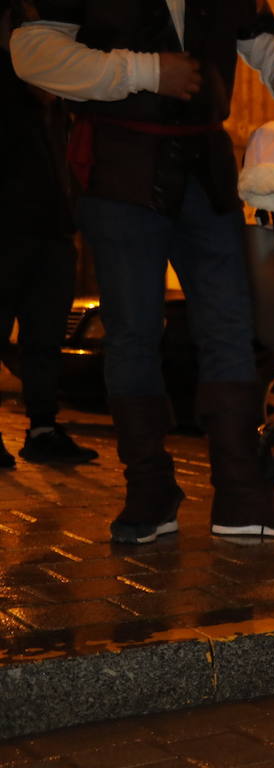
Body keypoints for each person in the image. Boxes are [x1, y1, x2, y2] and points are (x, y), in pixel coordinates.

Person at [10, 0, 274, 541]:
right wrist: (145, 71)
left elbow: (266, 43)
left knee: (230, 329)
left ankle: (239, 494)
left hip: (205, 171)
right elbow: (31, 52)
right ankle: (149, 490)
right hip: (119, 170)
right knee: (132, 334)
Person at [0, 0, 97, 467]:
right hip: (8, 227)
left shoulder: (55, 93)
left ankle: (42, 429)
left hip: (52, 229)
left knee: (45, 338)